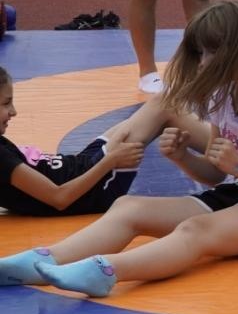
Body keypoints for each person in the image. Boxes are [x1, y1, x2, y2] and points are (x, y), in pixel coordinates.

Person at [0, 0, 238, 296]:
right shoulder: (223, 98)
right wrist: (182, 157)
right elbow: (214, 175)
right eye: (201, 54)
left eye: (211, 53)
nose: (204, 63)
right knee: (129, 207)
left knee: (195, 230)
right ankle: (45, 261)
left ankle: (107, 271)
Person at [0, 64, 149, 218]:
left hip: (82, 166)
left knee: (159, 106)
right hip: (96, 187)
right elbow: (59, 198)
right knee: (162, 107)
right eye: (6, 103)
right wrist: (111, 160)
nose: (14, 111)